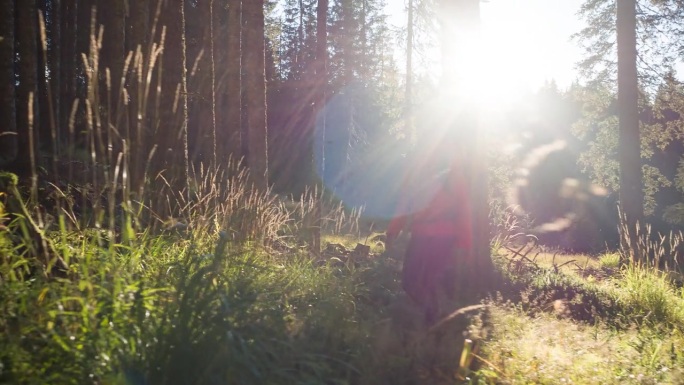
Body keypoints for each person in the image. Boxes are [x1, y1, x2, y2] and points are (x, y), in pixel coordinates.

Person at [385, 157, 473, 323]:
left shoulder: (454, 175)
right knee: (410, 282)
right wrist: (392, 231)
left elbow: (463, 211)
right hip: (424, 236)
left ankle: (432, 323)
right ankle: (432, 317)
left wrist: (464, 245)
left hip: (442, 238)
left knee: (428, 281)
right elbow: (404, 205)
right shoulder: (417, 172)